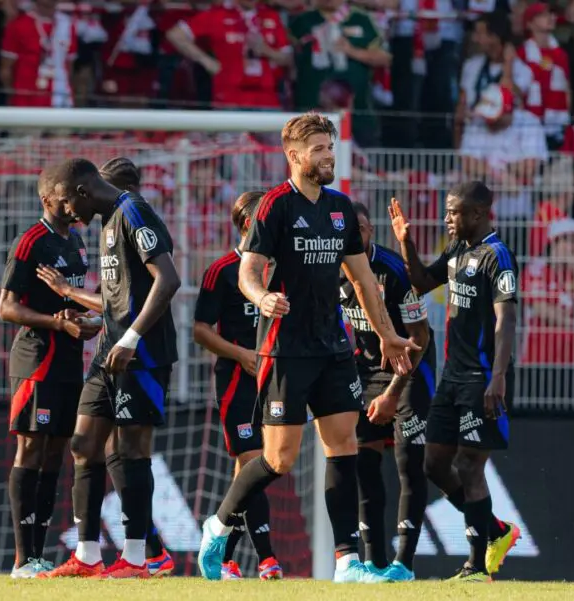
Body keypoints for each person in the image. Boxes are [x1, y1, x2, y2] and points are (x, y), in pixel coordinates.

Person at [196, 112, 418, 583]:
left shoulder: (340, 208)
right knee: (279, 459)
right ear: (294, 156)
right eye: (319, 149)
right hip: (285, 348)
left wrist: (385, 334)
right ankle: (217, 525)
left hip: (333, 346)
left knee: (344, 447)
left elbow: (362, 282)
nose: (328, 156)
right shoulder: (273, 207)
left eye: (330, 148)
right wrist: (262, 296)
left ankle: (347, 564)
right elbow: (247, 271)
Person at [40, 158, 180, 579]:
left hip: (143, 353)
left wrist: (131, 336)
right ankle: (86, 555)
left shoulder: (133, 210)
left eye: (66, 204)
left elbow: (168, 279)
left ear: (82, 192)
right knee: (84, 443)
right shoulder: (106, 224)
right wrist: (88, 310)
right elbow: (120, 299)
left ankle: (139, 558)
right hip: (110, 351)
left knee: (131, 450)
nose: (66, 214)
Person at [388, 185, 522, 582]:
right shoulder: (457, 249)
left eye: (454, 212)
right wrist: (406, 242)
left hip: (483, 379)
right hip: (451, 376)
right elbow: (420, 281)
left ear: (479, 214)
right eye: (447, 212)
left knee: (468, 464)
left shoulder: (497, 257)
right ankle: (496, 530)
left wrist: (497, 376)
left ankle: (476, 566)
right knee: (434, 463)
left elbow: (506, 320)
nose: (447, 218)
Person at [0, 166, 100, 578]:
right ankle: (23, 558)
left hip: (69, 361)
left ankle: (39, 554)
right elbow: (6, 307)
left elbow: (75, 302)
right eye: (64, 200)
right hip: (36, 361)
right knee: (31, 450)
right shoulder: (31, 242)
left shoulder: (76, 240)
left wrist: (84, 321)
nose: (72, 206)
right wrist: (57, 322)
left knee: (58, 453)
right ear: (47, 201)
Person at [338, 202, 434, 581]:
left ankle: (404, 564)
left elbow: (420, 337)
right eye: (347, 229)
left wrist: (394, 393)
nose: (353, 235)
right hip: (365, 371)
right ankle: (375, 565)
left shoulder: (393, 271)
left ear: (371, 231)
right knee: (364, 464)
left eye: (359, 229)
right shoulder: (334, 270)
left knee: (409, 464)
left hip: (411, 368)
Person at [192, 191, 283, 581]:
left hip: (275, 380)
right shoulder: (223, 271)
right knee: (250, 461)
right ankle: (266, 558)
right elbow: (199, 331)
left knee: (250, 472)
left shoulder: (281, 268)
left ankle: (224, 555)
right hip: (236, 381)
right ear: (250, 224)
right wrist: (240, 354)